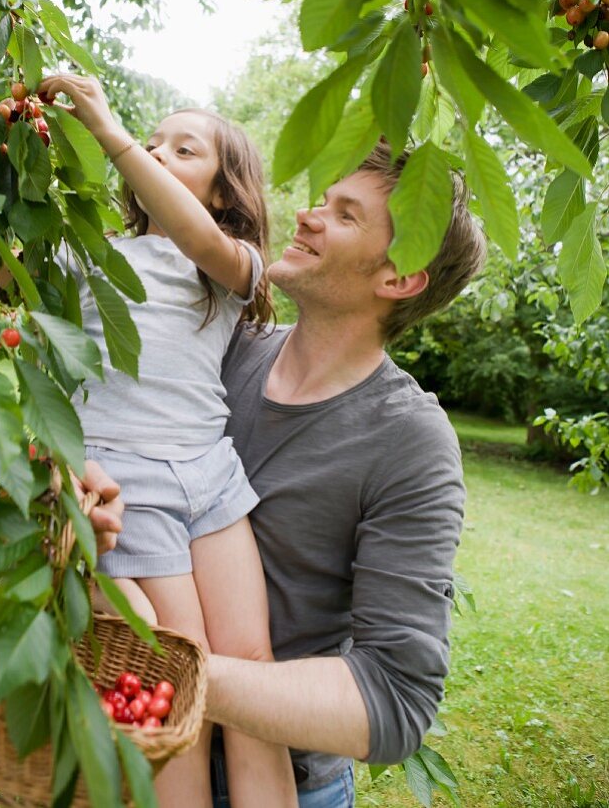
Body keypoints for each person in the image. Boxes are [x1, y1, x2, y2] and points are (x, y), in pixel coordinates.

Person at [200, 141, 487, 807]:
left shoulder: (411, 441)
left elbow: (393, 699)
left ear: (399, 277)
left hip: (284, 784)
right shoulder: (226, 350)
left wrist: (176, 673)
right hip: (134, 747)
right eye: (322, 200)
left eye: (345, 215)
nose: (305, 215)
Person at [39, 73, 298, 808]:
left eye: (182, 150)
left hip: (211, 480)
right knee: (177, 681)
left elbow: (191, 232)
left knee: (252, 667)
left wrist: (114, 136)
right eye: (153, 144)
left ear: (223, 191)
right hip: (130, 480)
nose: (154, 153)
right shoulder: (93, 253)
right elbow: (11, 277)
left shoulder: (228, 263)